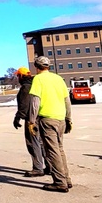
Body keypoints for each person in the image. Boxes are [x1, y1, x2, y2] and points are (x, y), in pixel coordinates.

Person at [26, 55, 72, 192]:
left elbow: (35, 102)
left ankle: (59, 182)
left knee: (52, 151)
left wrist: (31, 121)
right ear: (48, 66)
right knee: (60, 149)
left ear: (36, 66)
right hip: (60, 118)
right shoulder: (58, 78)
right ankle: (66, 179)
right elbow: (66, 100)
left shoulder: (38, 79)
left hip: (47, 119)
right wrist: (69, 118)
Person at [12, 67, 46, 177]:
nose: (18, 78)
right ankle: (49, 166)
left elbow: (24, 105)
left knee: (32, 142)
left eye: (18, 76)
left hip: (31, 119)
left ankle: (38, 168)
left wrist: (18, 117)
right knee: (41, 142)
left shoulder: (26, 88)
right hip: (41, 117)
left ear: (21, 76)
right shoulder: (36, 84)